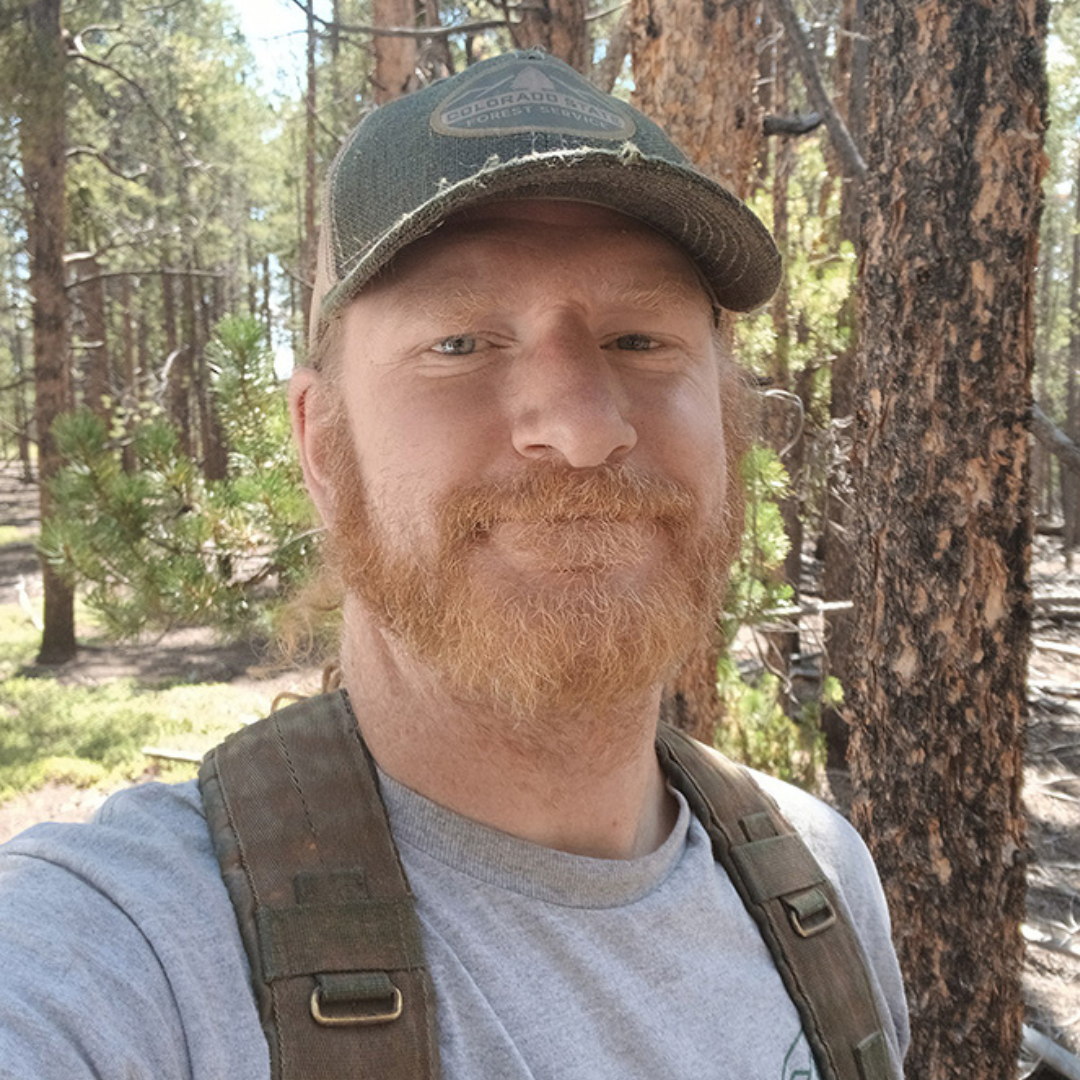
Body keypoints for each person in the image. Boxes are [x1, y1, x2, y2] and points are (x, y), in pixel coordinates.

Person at [0, 50, 908, 1080]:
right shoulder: (118, 955)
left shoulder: (826, 888)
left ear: (728, 418)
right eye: (462, 343)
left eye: (640, 338)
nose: (580, 426)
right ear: (320, 446)